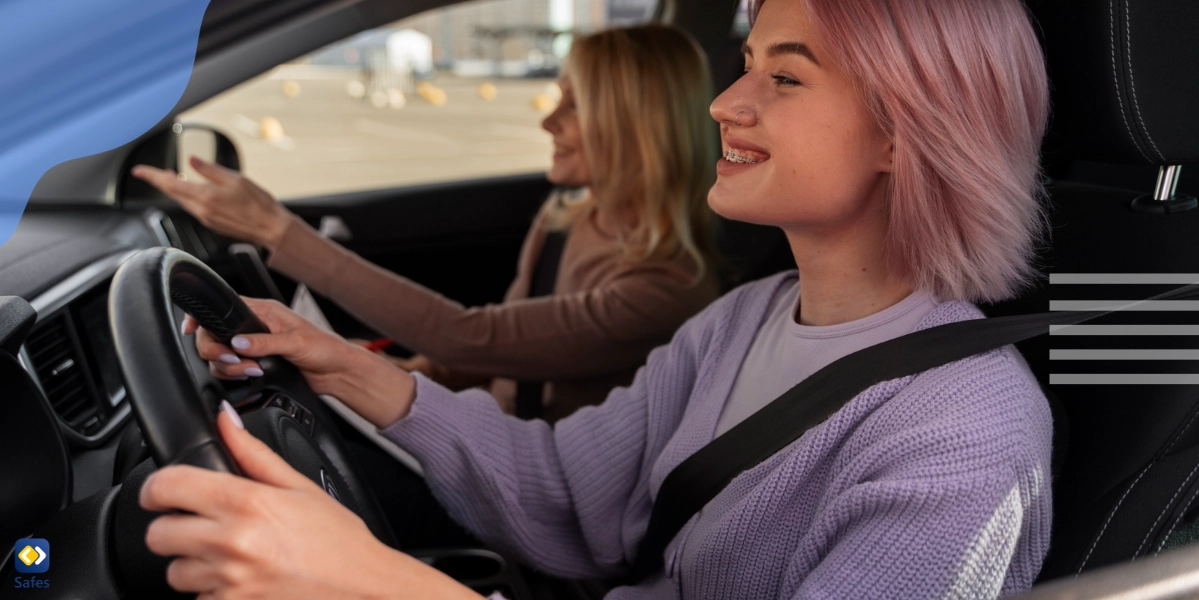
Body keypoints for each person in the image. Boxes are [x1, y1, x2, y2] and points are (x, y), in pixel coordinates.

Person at [139, 0, 1054, 597]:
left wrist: (374, 582)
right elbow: (567, 490)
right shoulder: (745, 319)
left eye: (785, 76)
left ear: (909, 134)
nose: (724, 104)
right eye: (745, 64)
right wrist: (350, 373)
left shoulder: (967, 438)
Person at [132, 24, 721, 422]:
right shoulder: (567, 215)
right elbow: (496, 354)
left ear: (635, 129)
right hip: (483, 430)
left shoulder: (663, 292)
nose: (549, 124)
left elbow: (472, 335)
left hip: (530, 476)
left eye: (575, 106)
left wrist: (276, 230)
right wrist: (418, 371)